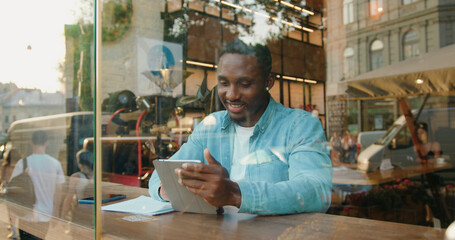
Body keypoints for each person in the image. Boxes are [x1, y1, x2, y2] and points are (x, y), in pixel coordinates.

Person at [148, 39, 332, 214]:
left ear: (268, 82)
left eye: (244, 84)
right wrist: (174, 190)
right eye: (223, 83)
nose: (232, 94)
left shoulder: (300, 126)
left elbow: (316, 192)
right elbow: (160, 177)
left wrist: (234, 193)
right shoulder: (210, 126)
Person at [8, 131, 65, 240]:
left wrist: (12, 215)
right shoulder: (55, 164)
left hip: (25, 215)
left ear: (31, 143)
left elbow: (13, 191)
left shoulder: (23, 163)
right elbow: (59, 191)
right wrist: (56, 211)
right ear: (47, 143)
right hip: (46, 213)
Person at [60, 149, 93, 237]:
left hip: (79, 213)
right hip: (93, 213)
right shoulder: (97, 176)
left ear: (80, 163)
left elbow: (69, 197)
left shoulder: (76, 177)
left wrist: (63, 215)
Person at [1, 148, 22, 239]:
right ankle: (17, 228)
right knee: (19, 211)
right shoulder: (20, 165)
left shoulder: (5, 166)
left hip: (10, 190)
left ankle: (13, 231)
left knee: (11, 212)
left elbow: (2, 179)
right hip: (19, 190)